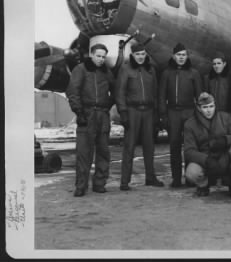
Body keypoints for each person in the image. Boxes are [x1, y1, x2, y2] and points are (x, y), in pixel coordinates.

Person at [66, 43, 115, 197]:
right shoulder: (80, 70)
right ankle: (81, 186)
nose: (101, 59)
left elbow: (116, 89)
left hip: (102, 114)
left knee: (103, 151)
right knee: (84, 153)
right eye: (98, 56)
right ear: (91, 54)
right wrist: (78, 112)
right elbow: (73, 91)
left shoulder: (106, 71)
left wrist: (109, 103)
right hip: (86, 114)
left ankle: (99, 183)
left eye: (103, 57)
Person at [115, 43, 164, 190]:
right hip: (132, 111)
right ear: (133, 55)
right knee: (129, 146)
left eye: (143, 54)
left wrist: (156, 113)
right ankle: (125, 181)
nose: (141, 57)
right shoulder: (125, 69)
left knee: (149, 146)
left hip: (148, 111)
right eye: (138, 54)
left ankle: (150, 177)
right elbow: (120, 92)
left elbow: (155, 92)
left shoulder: (151, 70)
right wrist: (123, 112)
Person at [184, 92, 231, 199]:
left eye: (211, 106)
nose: (209, 110)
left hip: (224, 156)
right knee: (191, 173)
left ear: (215, 105)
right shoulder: (190, 124)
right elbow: (189, 151)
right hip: (205, 159)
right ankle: (204, 185)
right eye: (205, 107)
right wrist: (206, 160)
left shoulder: (225, 117)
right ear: (199, 108)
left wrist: (225, 139)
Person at [159, 42, 202, 187]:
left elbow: (200, 96)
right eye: (179, 55)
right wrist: (163, 115)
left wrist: (198, 116)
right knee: (174, 146)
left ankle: (190, 178)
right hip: (173, 112)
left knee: (190, 147)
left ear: (187, 56)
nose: (181, 58)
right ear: (173, 56)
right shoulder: (166, 73)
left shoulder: (194, 73)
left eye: (184, 55)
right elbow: (161, 96)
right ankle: (176, 178)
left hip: (189, 112)